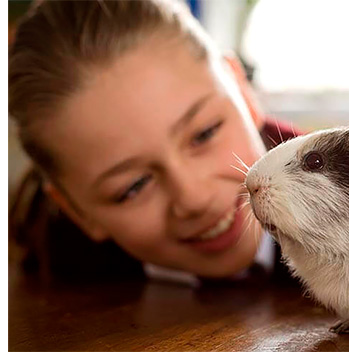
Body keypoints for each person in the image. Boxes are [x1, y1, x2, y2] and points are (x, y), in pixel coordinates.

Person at [8, 0, 300, 283]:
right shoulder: (60, 273)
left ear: (243, 91)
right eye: (133, 187)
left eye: (204, 133)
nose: (194, 198)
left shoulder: (341, 187)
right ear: (79, 213)